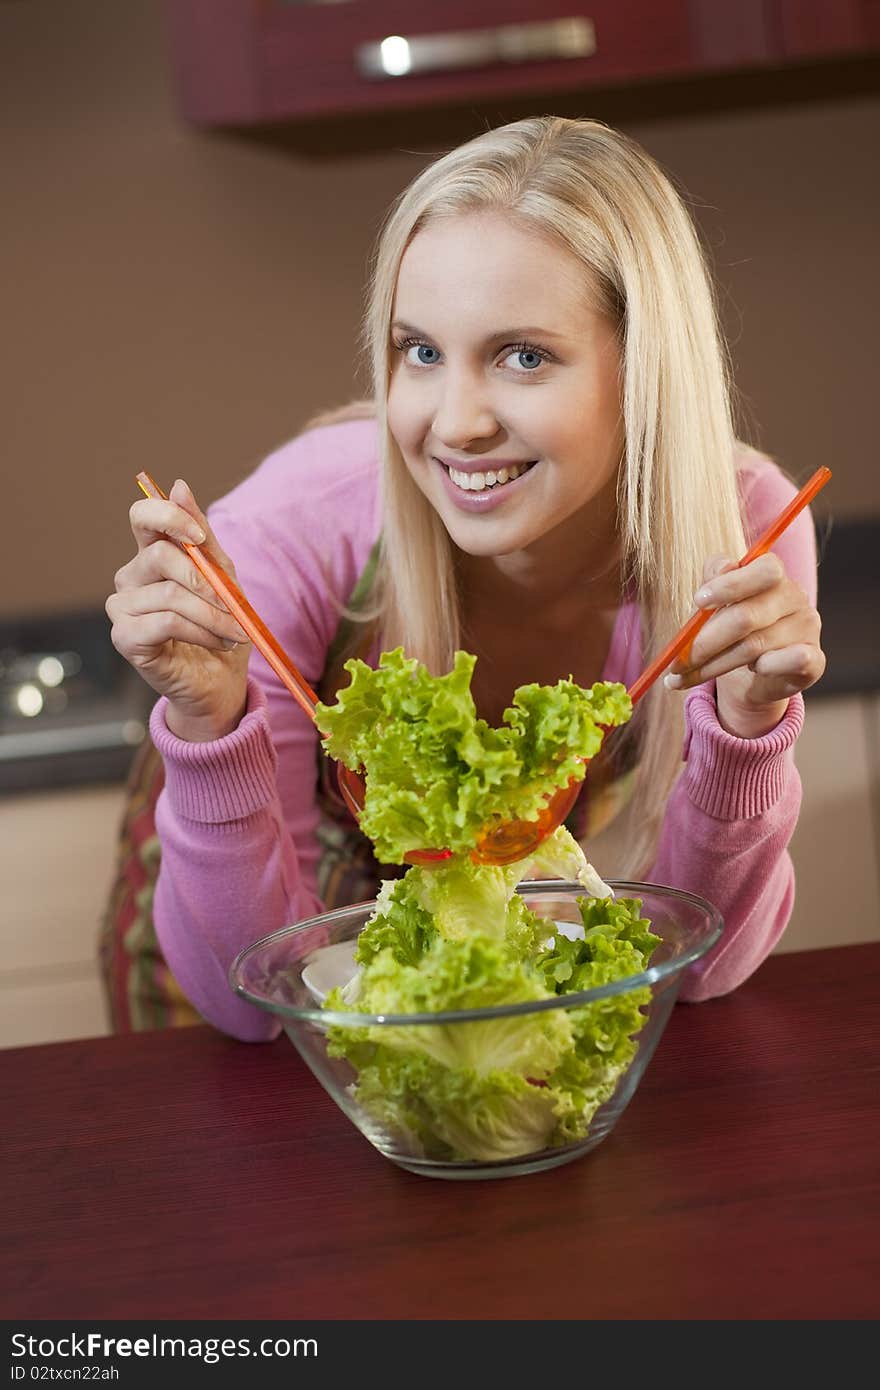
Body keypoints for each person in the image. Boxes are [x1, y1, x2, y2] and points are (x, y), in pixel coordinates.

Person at [104, 116, 825, 1041]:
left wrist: (747, 733)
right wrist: (210, 726)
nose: (456, 424)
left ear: (646, 369)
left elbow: (703, 969)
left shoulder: (742, 534)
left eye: (523, 356)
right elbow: (250, 1003)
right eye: (421, 352)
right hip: (227, 922)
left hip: (485, 944)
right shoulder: (290, 529)